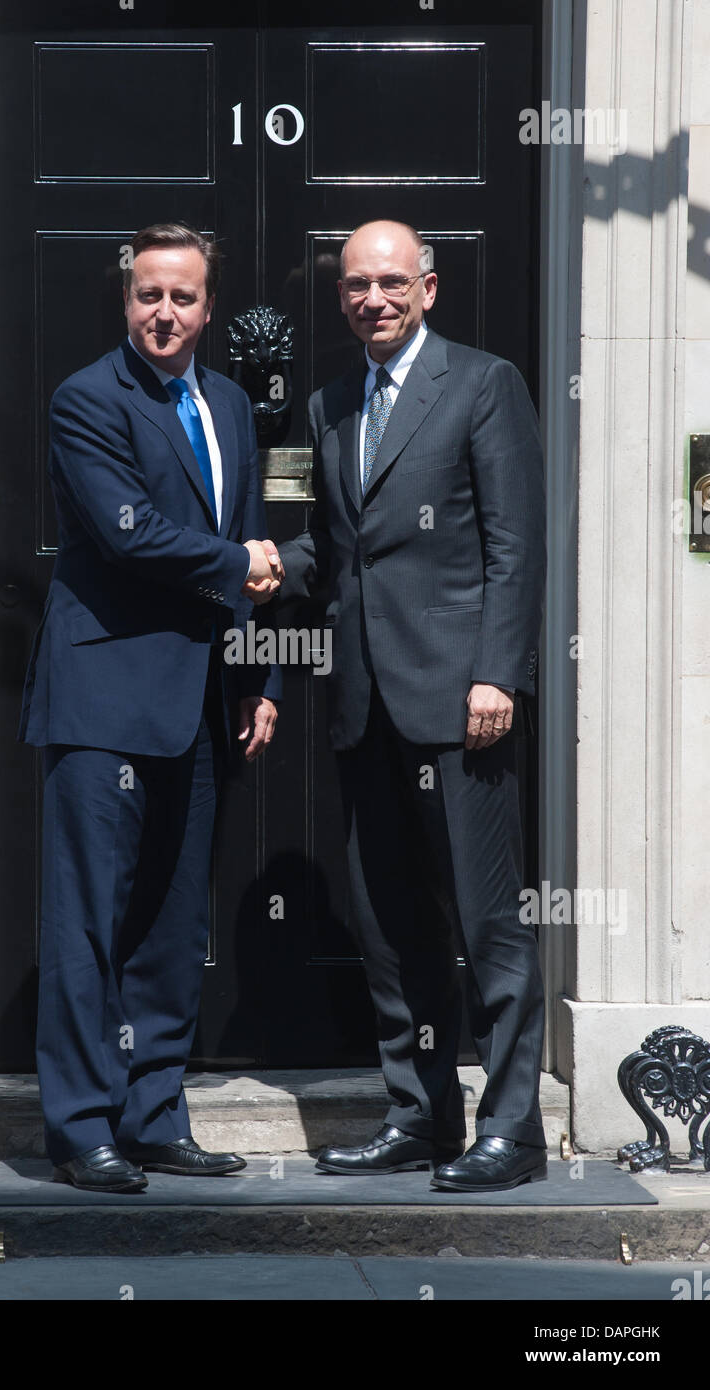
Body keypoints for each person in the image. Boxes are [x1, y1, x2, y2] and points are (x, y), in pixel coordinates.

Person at [269, 219, 548, 1192]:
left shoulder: (483, 384)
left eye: (391, 282)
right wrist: (256, 566)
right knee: (392, 927)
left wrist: (495, 674)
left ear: (428, 287)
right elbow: (331, 552)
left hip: (458, 700)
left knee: (488, 924)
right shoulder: (328, 403)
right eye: (357, 285)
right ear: (339, 295)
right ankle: (420, 1114)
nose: (373, 299)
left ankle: (512, 1128)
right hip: (364, 702)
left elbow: (515, 543)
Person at [18, 223, 281, 1192]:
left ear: (209, 308)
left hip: (201, 698)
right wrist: (235, 565)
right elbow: (130, 534)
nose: (162, 313)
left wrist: (260, 679)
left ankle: (153, 1108)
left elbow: (251, 539)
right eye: (147, 295)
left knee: (175, 922)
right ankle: (82, 1123)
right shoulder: (87, 398)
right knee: (89, 921)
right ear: (126, 300)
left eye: (181, 297)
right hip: (104, 698)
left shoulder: (229, 405)